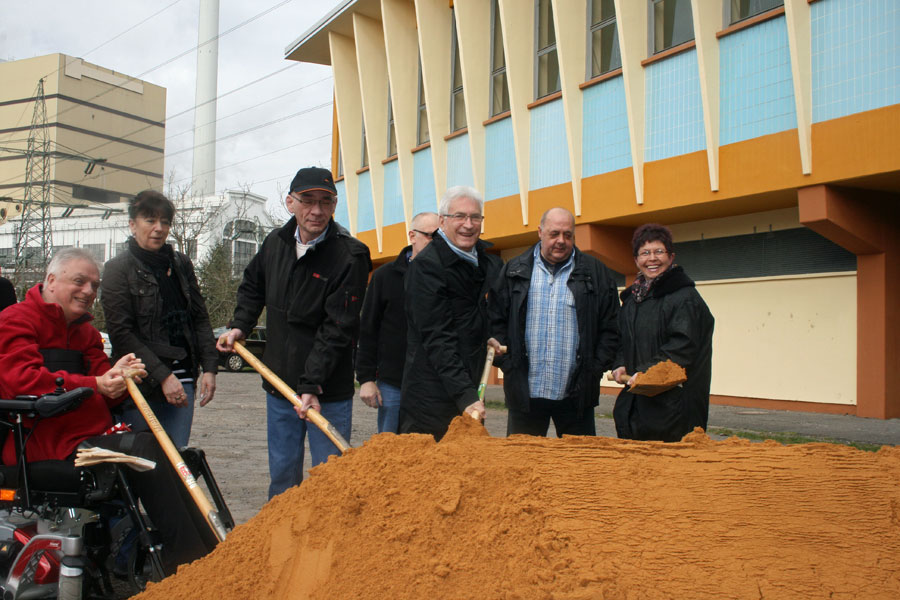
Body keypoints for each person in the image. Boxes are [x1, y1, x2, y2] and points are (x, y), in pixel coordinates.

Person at [0, 248, 218, 574]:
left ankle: (214, 554)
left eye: (94, 285)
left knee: (179, 454)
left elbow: (107, 389)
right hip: (41, 447)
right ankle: (189, 563)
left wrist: (121, 376)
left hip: (89, 440)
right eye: (79, 281)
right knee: (142, 449)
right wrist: (96, 384)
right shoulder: (15, 320)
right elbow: (21, 382)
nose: (89, 291)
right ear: (50, 280)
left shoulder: (86, 333)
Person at [217, 167, 371, 499]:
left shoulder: (350, 255)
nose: (316, 210)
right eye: (307, 200)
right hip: (279, 382)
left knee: (329, 480)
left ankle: (329, 546)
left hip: (326, 390)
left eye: (325, 202)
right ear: (290, 202)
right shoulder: (275, 243)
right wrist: (240, 324)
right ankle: (283, 545)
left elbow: (337, 328)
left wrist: (311, 384)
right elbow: (252, 286)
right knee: (283, 477)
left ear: (334, 205)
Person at [101, 190, 219, 448]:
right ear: (133, 225)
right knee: (143, 463)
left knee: (177, 461)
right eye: (150, 220)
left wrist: (210, 368)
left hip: (183, 379)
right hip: (141, 383)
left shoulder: (181, 264)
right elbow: (122, 334)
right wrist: (163, 376)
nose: (158, 228)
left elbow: (199, 318)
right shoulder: (117, 269)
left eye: (165, 222)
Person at [488, 207, 620, 437]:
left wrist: (595, 367)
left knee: (579, 465)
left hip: (577, 395)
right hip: (525, 393)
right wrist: (508, 363)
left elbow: (611, 326)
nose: (561, 241)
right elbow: (495, 321)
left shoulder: (596, 273)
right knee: (523, 464)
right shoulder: (513, 270)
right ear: (540, 232)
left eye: (567, 235)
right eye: (554, 233)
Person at [400, 186, 503, 441]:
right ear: (443, 221)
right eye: (460, 216)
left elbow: (476, 314)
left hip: (466, 385)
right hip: (430, 396)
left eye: (475, 217)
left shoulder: (486, 263)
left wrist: (488, 335)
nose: (468, 224)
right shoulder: (427, 267)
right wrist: (466, 396)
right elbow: (437, 338)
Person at [611, 223, 715, 442]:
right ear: (636, 260)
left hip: (674, 410)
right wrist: (620, 363)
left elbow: (682, 347)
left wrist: (646, 372)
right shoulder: (631, 300)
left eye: (659, 251)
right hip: (637, 405)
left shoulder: (685, 298)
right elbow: (622, 340)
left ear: (671, 256)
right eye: (645, 253)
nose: (652, 259)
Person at [356, 211, 440, 434]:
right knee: (390, 450)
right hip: (393, 384)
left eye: (441, 237)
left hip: (434, 384)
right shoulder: (385, 276)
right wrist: (365, 378)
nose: (436, 243)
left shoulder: (446, 278)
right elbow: (368, 329)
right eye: (431, 236)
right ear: (412, 236)